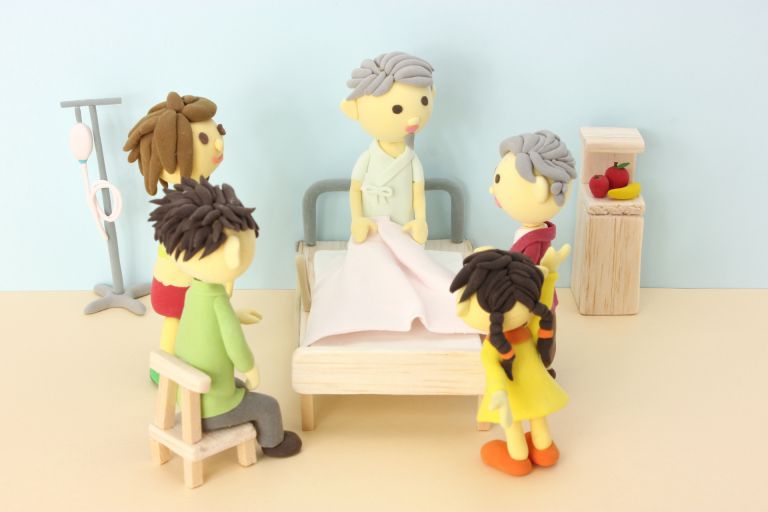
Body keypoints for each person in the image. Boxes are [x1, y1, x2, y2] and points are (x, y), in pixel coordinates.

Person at [148, 177, 301, 457]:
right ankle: (274, 444)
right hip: (212, 411)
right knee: (268, 406)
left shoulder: (192, 292)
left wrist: (236, 315)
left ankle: (242, 406)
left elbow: (203, 326)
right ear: (233, 254)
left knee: (239, 387)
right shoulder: (218, 301)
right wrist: (251, 370)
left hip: (188, 398)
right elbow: (235, 346)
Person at [124, 92, 257, 383]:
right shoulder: (179, 206)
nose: (218, 143)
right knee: (176, 320)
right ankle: (165, 367)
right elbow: (186, 250)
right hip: (177, 281)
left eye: (217, 133)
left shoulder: (201, 197)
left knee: (195, 322)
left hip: (192, 281)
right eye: (205, 139)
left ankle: (185, 362)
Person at [450, 246, 570, 476]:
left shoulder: (492, 348)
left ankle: (518, 458)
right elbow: (543, 309)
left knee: (513, 424)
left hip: (509, 393)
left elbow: (494, 371)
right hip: (536, 386)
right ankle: (545, 450)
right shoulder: (529, 332)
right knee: (538, 416)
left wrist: (498, 393)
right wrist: (550, 275)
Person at [488, 130, 576, 373]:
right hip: (532, 302)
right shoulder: (532, 234)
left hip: (534, 303)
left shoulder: (535, 244)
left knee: (538, 339)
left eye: (498, 181)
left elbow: (526, 279)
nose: (492, 190)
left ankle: (538, 370)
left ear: (539, 190)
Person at [341, 51, 436, 244]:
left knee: (407, 257)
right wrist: (357, 219)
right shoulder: (368, 158)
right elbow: (355, 190)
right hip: (372, 228)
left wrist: (420, 220)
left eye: (424, 100)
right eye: (397, 109)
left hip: (404, 227)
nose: (413, 119)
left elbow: (418, 193)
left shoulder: (411, 158)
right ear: (354, 110)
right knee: (370, 255)